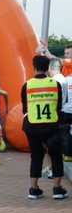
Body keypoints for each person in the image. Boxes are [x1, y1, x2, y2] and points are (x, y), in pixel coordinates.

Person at [22, 55, 67, 200]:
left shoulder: (27, 85)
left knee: (36, 156)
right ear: (48, 68)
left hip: (32, 126)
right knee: (56, 155)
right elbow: (59, 106)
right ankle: (57, 189)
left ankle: (33, 189)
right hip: (51, 126)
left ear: (33, 68)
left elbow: (24, 107)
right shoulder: (55, 84)